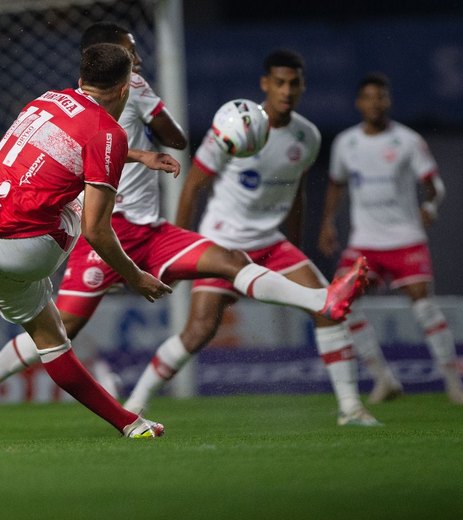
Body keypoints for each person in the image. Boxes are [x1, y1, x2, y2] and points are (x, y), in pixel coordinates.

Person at [0, 32, 370, 443]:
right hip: (80, 241)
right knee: (70, 264)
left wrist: (142, 153)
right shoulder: (109, 129)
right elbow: (97, 222)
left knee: (229, 262)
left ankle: (321, 301)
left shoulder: (49, 101)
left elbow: (93, 143)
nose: (139, 62)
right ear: (124, 82)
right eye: (132, 56)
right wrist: (135, 276)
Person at [120, 49, 381, 426]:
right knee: (198, 331)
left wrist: (296, 246)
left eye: (294, 83)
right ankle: (136, 401)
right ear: (265, 84)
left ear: (303, 86)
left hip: (272, 244)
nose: (286, 91)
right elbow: (193, 185)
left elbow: (297, 193)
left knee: (329, 309)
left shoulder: (307, 136)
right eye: (279, 83)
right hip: (224, 243)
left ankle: (351, 409)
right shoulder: (233, 125)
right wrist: (176, 246)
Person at [318, 73, 463, 405]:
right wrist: (328, 221)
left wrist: (430, 205)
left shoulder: (408, 141)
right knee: (340, 304)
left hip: (405, 239)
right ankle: (383, 379)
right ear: (359, 103)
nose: (375, 103)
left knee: (424, 307)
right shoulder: (346, 142)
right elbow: (335, 183)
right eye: (369, 97)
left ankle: (453, 384)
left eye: (381, 97)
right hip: (364, 242)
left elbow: (435, 185)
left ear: (388, 101)